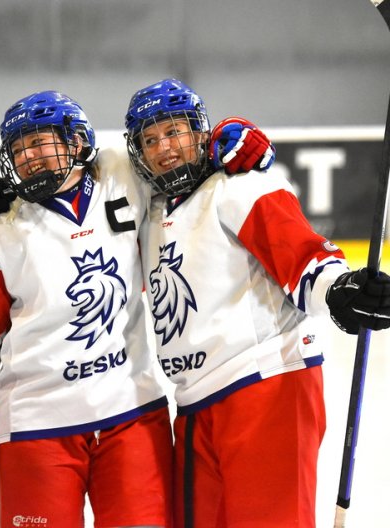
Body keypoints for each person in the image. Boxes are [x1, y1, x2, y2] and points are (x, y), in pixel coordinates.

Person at [0, 90, 274, 528]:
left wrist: (236, 135)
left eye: (37, 141)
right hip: (34, 422)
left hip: (132, 415)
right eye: (18, 148)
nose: (27, 156)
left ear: (77, 142)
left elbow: (177, 151)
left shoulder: (124, 174)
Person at [124, 78, 390, 527]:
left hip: (267, 386)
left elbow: (303, 255)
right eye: (150, 140)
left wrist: (340, 290)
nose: (163, 147)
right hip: (193, 403)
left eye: (174, 132)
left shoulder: (240, 186)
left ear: (199, 131)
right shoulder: (149, 213)